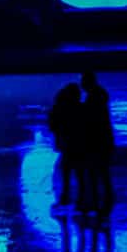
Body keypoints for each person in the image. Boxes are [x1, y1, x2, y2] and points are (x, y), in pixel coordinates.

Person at [77, 71, 115, 214]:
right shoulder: (99, 95)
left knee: (94, 170)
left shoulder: (93, 97)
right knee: (102, 171)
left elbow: (89, 118)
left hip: (96, 140)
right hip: (103, 139)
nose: (81, 85)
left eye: (83, 82)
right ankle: (105, 197)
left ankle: (95, 199)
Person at [48, 82, 84, 207]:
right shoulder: (79, 107)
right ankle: (80, 194)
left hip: (66, 142)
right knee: (78, 169)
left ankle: (66, 194)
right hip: (77, 142)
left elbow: (52, 124)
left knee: (67, 168)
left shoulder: (59, 106)